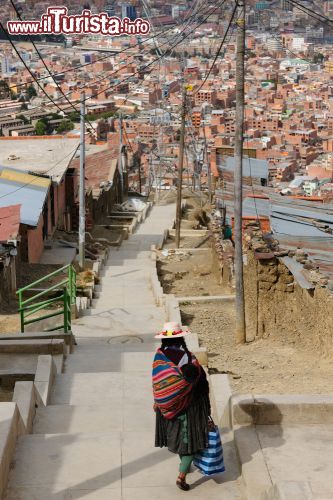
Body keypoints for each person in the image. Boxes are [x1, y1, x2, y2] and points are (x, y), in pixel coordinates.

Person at [152, 321, 211, 491]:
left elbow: (158, 382)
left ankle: (184, 464)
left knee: (179, 437)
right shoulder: (188, 358)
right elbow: (197, 383)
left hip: (167, 406)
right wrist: (206, 409)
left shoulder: (159, 356)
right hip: (188, 407)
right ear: (181, 338)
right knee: (192, 441)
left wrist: (159, 400)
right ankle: (181, 476)